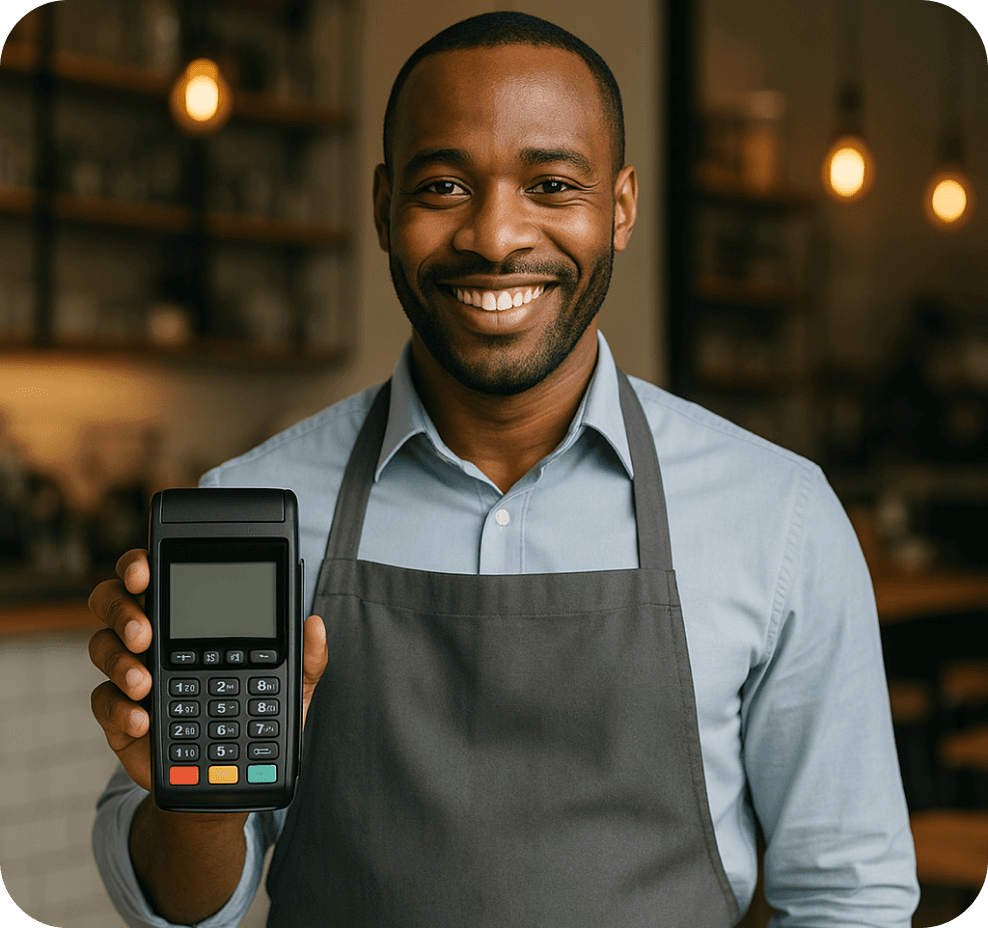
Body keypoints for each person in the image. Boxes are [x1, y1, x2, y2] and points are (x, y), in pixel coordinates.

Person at [89, 11, 919, 927]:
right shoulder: (251, 507)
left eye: (552, 184)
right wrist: (192, 794)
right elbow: (182, 907)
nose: (494, 235)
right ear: (381, 208)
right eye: (444, 185)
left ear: (623, 208)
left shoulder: (779, 514)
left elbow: (850, 897)